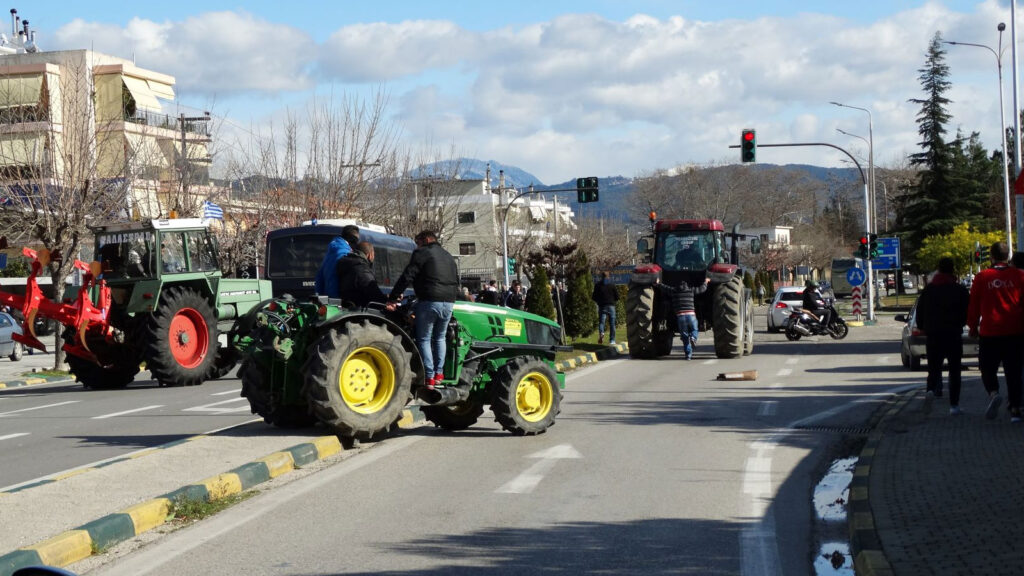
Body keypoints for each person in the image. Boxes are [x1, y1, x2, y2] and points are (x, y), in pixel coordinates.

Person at [386, 230, 459, 390]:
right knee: (440, 338)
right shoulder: (448, 256)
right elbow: (457, 280)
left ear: (426, 239)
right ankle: (439, 374)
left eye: (417, 242)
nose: (416, 246)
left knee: (424, 339)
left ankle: (429, 376)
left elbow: (408, 275)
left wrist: (393, 297)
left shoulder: (422, 253)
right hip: (449, 302)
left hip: (429, 300)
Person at [969, 242, 1024, 421]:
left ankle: (993, 392)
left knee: (987, 368)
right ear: (1008, 256)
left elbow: (974, 305)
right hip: (1015, 331)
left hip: (990, 331)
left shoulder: (982, 277)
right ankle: (1015, 408)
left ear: (991, 256)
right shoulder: (1019, 276)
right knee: (1014, 371)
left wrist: (972, 327)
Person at [916, 257, 970, 415]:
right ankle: (954, 405)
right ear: (953, 270)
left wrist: (923, 327)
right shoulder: (959, 290)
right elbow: (967, 311)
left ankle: (930, 391)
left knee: (933, 368)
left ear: (938, 270)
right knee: (955, 370)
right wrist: (961, 323)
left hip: (933, 334)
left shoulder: (929, 290)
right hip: (953, 334)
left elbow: (920, 311)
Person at [659, 277, 710, 360]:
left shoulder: (674, 291)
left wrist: (658, 283)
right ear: (687, 286)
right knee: (695, 329)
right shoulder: (691, 290)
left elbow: (665, 288)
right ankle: (693, 337)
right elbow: (702, 289)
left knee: (685, 337)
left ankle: (688, 355)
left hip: (681, 316)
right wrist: (706, 282)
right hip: (691, 315)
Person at [314, 225, 360, 298]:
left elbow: (319, 279)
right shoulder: (346, 254)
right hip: (341, 300)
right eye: (357, 240)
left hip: (328, 300)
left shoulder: (329, 255)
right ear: (353, 239)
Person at [336, 242, 385, 308]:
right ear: (370, 255)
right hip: (360, 310)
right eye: (373, 255)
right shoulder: (362, 269)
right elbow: (374, 294)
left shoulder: (346, 264)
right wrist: (387, 301)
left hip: (346, 308)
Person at [591, 272, 619, 344]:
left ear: (601, 276)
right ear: (608, 277)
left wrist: (599, 301)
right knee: (612, 324)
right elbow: (617, 296)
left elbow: (594, 297)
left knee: (601, 322)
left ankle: (602, 333)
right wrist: (613, 300)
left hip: (602, 306)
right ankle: (612, 340)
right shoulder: (612, 285)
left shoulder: (598, 285)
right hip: (611, 306)